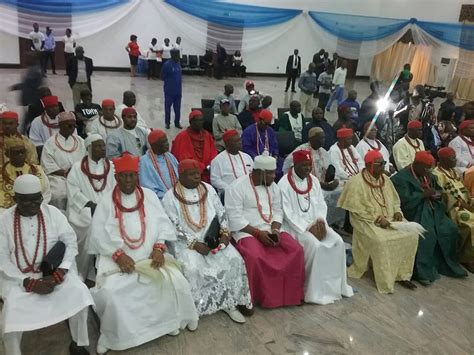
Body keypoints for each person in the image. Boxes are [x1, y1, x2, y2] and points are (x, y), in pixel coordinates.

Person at [88, 153, 199, 354]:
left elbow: (163, 225)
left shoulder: (148, 196)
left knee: (175, 282)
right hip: (117, 260)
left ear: (137, 176)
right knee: (113, 294)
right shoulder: (106, 201)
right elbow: (97, 236)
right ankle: (113, 337)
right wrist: (118, 255)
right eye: (123, 176)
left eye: (132, 176)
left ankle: (167, 324)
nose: (128, 181)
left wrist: (158, 248)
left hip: (150, 256)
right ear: (117, 177)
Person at [0, 174, 94, 355]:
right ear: (15, 199)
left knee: (79, 292)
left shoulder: (53, 213)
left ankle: (78, 343)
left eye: (37, 200)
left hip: (54, 275)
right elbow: (2, 259)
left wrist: (61, 271)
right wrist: (28, 282)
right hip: (20, 280)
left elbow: (70, 243)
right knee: (9, 318)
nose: (34, 205)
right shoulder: (4, 221)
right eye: (27, 201)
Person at [162, 159, 252, 322]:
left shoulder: (208, 188)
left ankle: (229, 302)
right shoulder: (170, 197)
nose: (197, 177)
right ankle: (193, 311)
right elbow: (173, 225)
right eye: (192, 174)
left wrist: (225, 232)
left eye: (198, 173)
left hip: (213, 237)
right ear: (180, 176)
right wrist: (195, 244)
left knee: (234, 260)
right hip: (186, 243)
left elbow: (221, 212)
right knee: (191, 268)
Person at [225, 153, 305, 308]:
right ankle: (257, 299)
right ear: (259, 172)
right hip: (246, 231)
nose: (274, 177)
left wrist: (275, 229)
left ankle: (292, 296)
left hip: (270, 227)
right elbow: (234, 218)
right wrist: (257, 233)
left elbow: (277, 210)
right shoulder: (236, 187)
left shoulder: (273, 187)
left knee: (296, 250)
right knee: (255, 257)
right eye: (270, 173)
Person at [337, 150, 420, 293]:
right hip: (367, 221)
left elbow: (395, 200)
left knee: (412, 235)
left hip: (390, 218)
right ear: (369, 165)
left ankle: (402, 275)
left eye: (384, 164)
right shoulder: (356, 182)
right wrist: (377, 218)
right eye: (380, 164)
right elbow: (357, 210)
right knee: (381, 241)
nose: (383, 167)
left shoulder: (386, 180)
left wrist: (398, 212)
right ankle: (385, 279)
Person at [279, 150, 353, 304]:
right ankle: (314, 291)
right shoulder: (284, 184)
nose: (307, 169)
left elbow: (321, 203)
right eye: (304, 165)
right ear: (295, 165)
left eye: (309, 165)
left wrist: (320, 222)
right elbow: (287, 213)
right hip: (297, 227)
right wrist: (308, 227)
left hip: (317, 223)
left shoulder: (313, 180)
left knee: (338, 242)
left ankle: (336, 287)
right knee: (315, 246)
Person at [391, 151, 468, 285]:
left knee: (450, 228)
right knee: (427, 233)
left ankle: (445, 265)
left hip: (433, 210)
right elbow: (402, 202)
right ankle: (422, 272)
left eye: (430, 168)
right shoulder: (400, 178)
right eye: (427, 168)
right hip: (414, 212)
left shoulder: (429, 176)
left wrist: (437, 195)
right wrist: (423, 195)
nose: (429, 171)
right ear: (417, 164)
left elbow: (440, 191)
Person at [66, 134, 115, 280]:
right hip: (85, 208)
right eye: (98, 146)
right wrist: (91, 205)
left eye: (103, 145)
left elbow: (114, 188)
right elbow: (73, 191)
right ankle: (84, 272)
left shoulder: (110, 165)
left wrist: (106, 206)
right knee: (88, 226)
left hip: (107, 206)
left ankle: (105, 271)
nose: (102, 148)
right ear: (89, 148)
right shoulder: (77, 168)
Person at [283, 127, 344, 226]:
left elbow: (332, 168)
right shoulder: (301, 150)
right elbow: (290, 170)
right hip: (305, 186)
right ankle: (319, 223)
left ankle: (336, 222)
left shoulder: (323, 151)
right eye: (320, 138)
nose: (323, 140)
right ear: (311, 138)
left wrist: (335, 180)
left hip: (323, 183)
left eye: (324, 138)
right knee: (321, 197)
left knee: (343, 190)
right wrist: (320, 185)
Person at [432, 147, 474, 273]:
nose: (456, 160)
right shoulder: (437, 174)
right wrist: (461, 203)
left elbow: (463, 188)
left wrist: (469, 200)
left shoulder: (453, 171)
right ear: (444, 160)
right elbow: (443, 195)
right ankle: (467, 259)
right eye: (453, 158)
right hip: (453, 208)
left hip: (465, 204)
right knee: (471, 225)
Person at [41, 112, 86, 211]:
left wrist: (76, 172)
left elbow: (86, 160)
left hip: (79, 176)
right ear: (60, 125)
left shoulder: (80, 141)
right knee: (59, 195)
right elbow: (47, 165)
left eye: (73, 125)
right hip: (58, 178)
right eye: (68, 124)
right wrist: (65, 172)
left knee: (86, 191)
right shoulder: (50, 142)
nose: (72, 127)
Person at [0, 136, 50, 211]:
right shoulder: (1, 172)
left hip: (36, 209)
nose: (20, 155)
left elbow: (46, 193)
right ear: (7, 154)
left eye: (22, 152)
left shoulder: (37, 170)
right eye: (16, 153)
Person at [171, 110, 218, 183]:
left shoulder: (207, 135)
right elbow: (182, 157)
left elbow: (213, 153)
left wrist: (209, 166)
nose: (200, 122)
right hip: (190, 175)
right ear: (191, 122)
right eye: (197, 120)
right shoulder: (182, 137)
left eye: (201, 120)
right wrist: (201, 167)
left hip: (208, 173)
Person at [210, 130, 253, 194]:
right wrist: (229, 188)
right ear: (227, 143)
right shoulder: (218, 160)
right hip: (230, 193)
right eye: (236, 141)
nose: (240, 142)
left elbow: (253, 173)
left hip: (249, 191)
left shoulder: (247, 157)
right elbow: (215, 180)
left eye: (240, 140)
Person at [139, 129, 179, 199]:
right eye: (163, 142)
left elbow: (179, 174)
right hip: (158, 199)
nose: (167, 143)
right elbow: (147, 187)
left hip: (176, 195)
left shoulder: (169, 156)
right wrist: (168, 197)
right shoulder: (144, 162)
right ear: (154, 145)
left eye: (166, 140)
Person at [162, 49, 183, 129]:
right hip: (169, 91)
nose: (178, 57)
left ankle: (177, 123)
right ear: (172, 55)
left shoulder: (178, 63)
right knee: (168, 108)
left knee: (178, 108)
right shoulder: (167, 64)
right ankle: (167, 123)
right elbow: (162, 76)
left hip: (178, 91)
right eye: (176, 55)